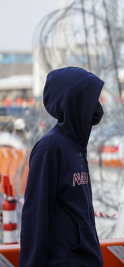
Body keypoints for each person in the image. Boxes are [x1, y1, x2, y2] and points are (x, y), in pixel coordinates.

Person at [19, 67, 105, 266]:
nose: (97, 105)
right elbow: (35, 219)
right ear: (75, 101)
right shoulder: (50, 149)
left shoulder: (76, 147)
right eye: (91, 98)